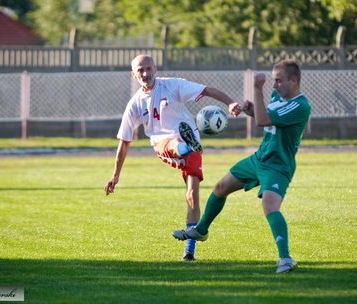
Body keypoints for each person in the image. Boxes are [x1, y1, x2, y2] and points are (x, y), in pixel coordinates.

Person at [172, 60, 311, 273]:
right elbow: (263, 115)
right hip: (259, 158)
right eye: (273, 81)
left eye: (279, 81)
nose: (275, 86)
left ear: (294, 81)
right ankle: (200, 230)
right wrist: (251, 110)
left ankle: (285, 259)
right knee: (220, 188)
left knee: (270, 207)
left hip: (278, 165)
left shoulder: (300, 105)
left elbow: (263, 121)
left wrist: (257, 89)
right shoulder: (278, 96)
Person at [104, 54, 244, 261]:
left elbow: (206, 90)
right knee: (172, 145)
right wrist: (115, 175)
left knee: (192, 195)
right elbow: (124, 142)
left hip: (191, 142)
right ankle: (185, 147)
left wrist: (231, 103)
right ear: (133, 75)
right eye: (140, 70)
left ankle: (189, 251)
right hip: (164, 144)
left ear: (155, 68)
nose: (145, 73)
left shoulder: (173, 85)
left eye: (148, 68)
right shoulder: (134, 104)